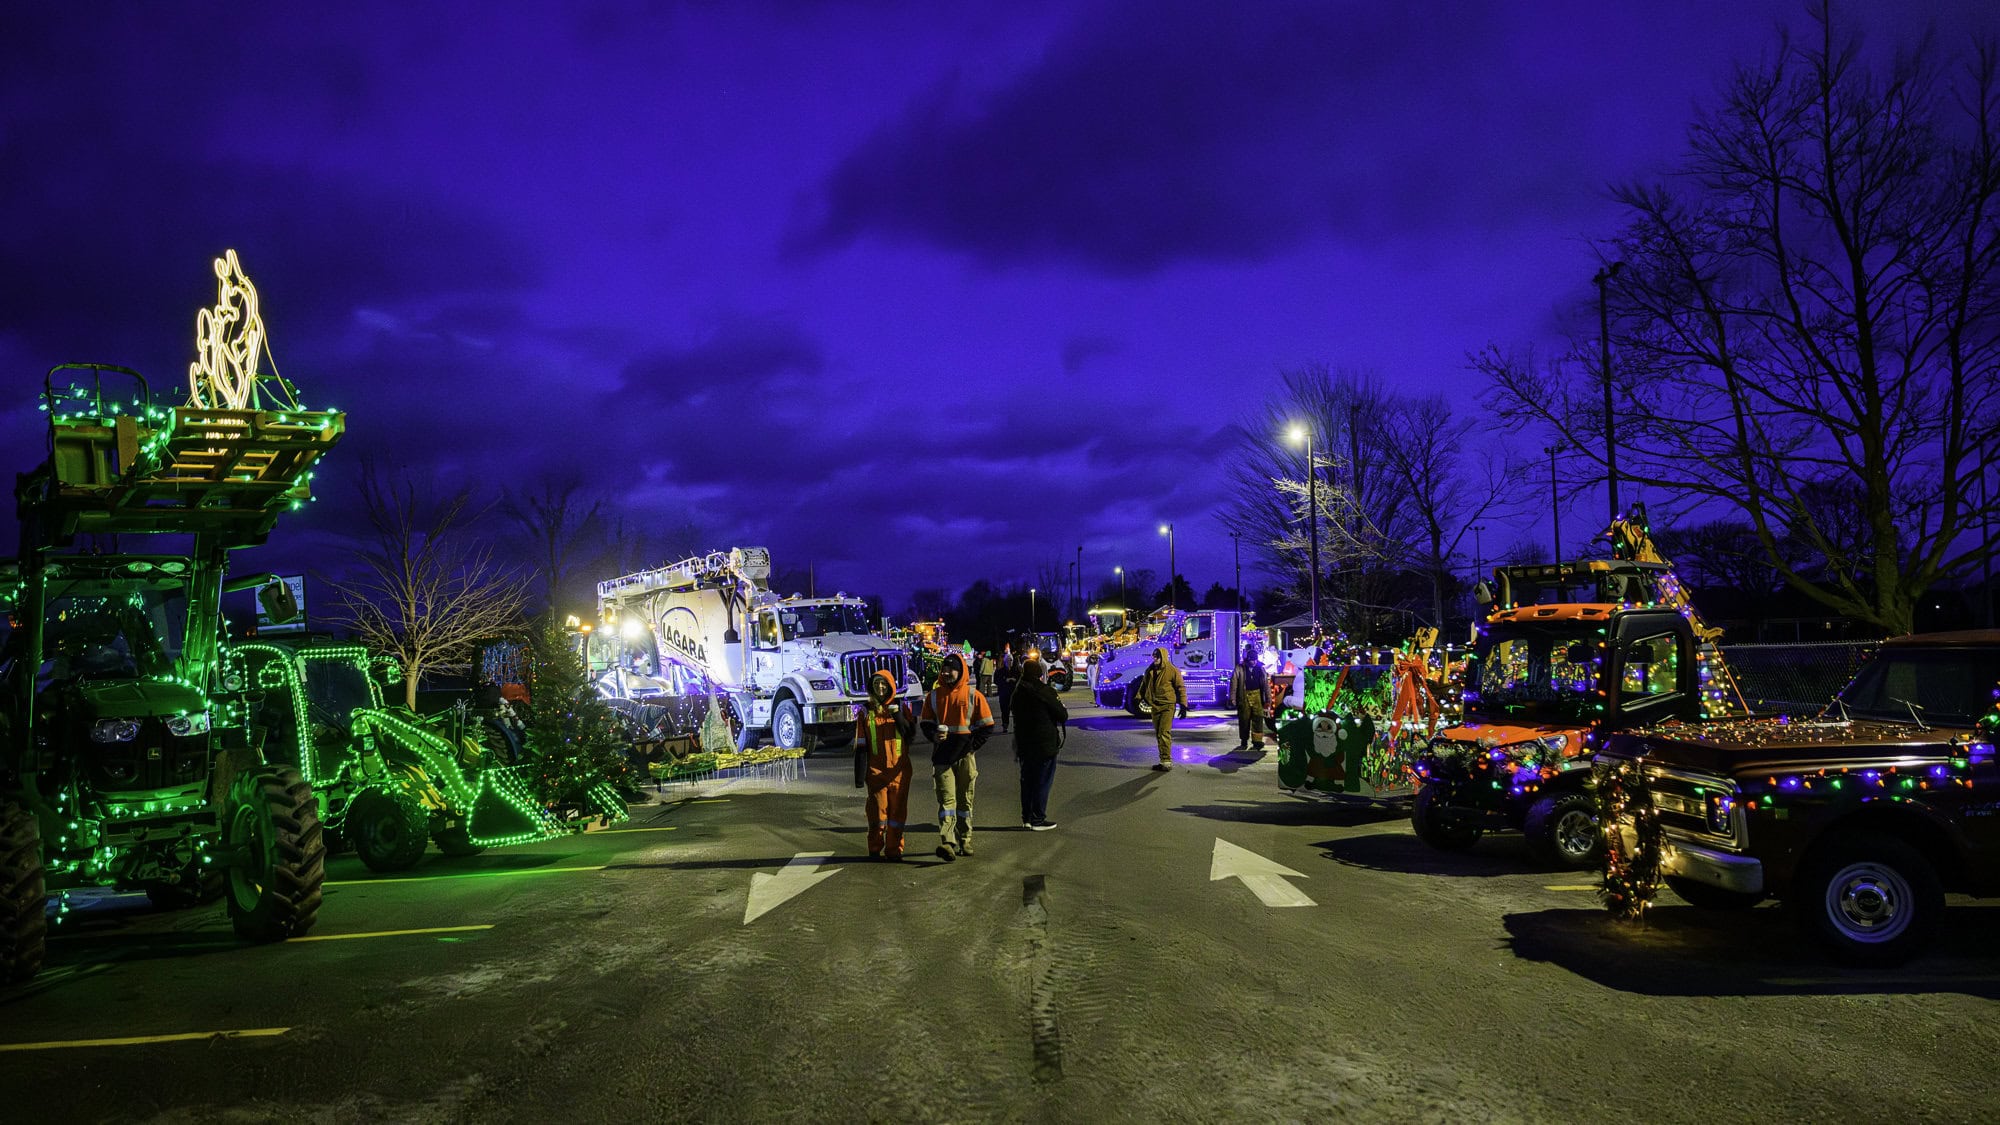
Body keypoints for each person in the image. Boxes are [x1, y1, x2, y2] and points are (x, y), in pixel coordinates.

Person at [919, 651, 994, 860]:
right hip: (942, 758)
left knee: (965, 801)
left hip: (965, 758)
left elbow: (988, 725)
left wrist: (972, 746)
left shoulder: (973, 695)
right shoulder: (933, 696)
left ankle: (965, 839)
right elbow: (925, 723)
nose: (947, 672)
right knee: (946, 802)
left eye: (951, 668)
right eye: (945, 668)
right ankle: (948, 842)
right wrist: (934, 735)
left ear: (960, 671)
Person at [853, 669, 917, 861]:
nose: (880, 688)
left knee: (897, 815)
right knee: (877, 814)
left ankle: (894, 850)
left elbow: (910, 736)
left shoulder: (901, 707)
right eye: (876, 684)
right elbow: (861, 746)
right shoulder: (865, 712)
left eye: (883, 684)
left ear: (890, 686)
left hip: (899, 772)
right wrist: (859, 776)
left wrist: (897, 715)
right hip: (876, 773)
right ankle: (874, 847)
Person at [1011, 657, 1067, 829]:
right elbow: (1062, 715)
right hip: (1044, 744)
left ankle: (1026, 818)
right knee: (1042, 782)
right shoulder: (1045, 691)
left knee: (1027, 781)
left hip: (1024, 743)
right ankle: (1038, 819)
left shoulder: (1018, 691)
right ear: (1039, 674)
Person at [1136, 647, 1188, 771]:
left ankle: (1166, 761)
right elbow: (1144, 684)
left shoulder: (1172, 670)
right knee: (1159, 733)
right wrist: (1139, 697)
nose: (1154, 658)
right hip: (1155, 705)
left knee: (1164, 732)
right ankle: (1163, 760)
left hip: (1167, 706)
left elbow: (1181, 687)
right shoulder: (1150, 670)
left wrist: (1183, 705)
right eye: (1153, 656)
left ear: (1163, 657)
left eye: (1157, 656)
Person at [1230, 646, 1270, 752]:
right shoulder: (1240, 668)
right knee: (1244, 719)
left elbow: (1266, 685)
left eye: (1255, 660)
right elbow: (1233, 683)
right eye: (1252, 660)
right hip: (1244, 696)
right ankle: (1244, 740)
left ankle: (1257, 741)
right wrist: (1232, 698)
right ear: (1248, 659)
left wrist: (1268, 699)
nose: (1254, 662)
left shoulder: (1261, 668)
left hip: (1257, 695)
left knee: (1258, 718)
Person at [996, 645, 1020, 733]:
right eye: (1008, 660)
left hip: (1014, 694)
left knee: (1015, 711)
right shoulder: (1000, 671)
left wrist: (1015, 680)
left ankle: (1016, 726)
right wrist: (1005, 680)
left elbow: (1020, 680)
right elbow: (996, 680)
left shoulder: (1016, 671)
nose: (1009, 662)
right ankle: (1005, 726)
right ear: (1005, 661)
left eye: (1011, 660)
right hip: (1004, 694)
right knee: (1004, 712)